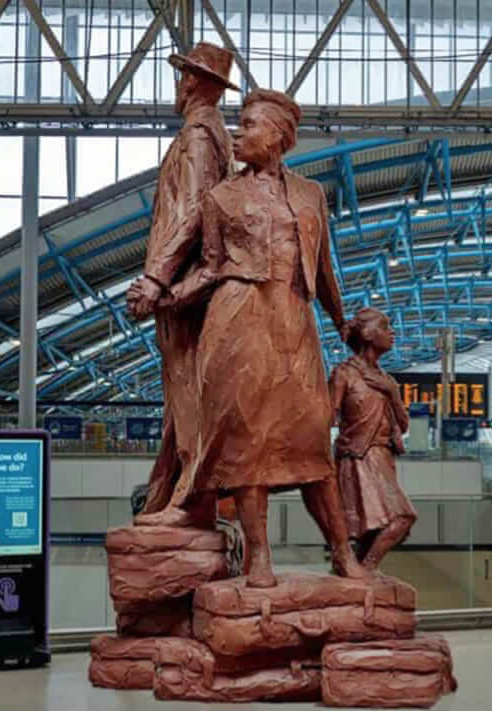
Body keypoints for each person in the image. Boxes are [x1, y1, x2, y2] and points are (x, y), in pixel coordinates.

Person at [155, 88, 366, 586]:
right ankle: (258, 556)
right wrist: (165, 293)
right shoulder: (222, 196)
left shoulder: (311, 194)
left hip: (295, 323)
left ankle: (342, 551)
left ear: (278, 136)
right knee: (248, 446)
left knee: (312, 442)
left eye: (248, 124)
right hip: (238, 323)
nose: (238, 133)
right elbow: (210, 268)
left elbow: (324, 268)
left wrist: (341, 321)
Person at [127, 43, 238, 525]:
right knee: (180, 394)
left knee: (186, 387)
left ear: (194, 82)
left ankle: (188, 494)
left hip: (184, 288)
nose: (179, 85)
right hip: (186, 284)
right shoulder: (210, 135)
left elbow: (194, 209)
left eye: (183, 77)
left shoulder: (197, 135)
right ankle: (165, 490)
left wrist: (157, 277)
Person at [329, 308, 417, 569]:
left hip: (383, 456)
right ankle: (366, 568)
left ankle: (358, 572)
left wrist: (393, 394)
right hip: (357, 457)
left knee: (377, 525)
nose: (392, 332)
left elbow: (403, 424)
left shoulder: (387, 380)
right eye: (385, 326)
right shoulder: (344, 373)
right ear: (367, 335)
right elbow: (327, 415)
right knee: (401, 516)